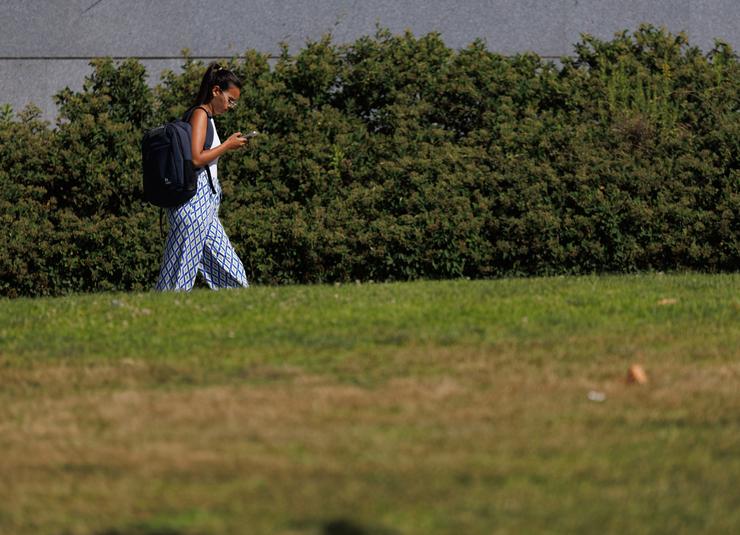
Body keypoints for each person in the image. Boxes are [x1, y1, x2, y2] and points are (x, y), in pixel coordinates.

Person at [155, 62, 251, 291]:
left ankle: (243, 309)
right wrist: (227, 145)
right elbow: (197, 158)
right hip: (193, 204)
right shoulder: (200, 114)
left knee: (231, 268)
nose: (231, 106)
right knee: (179, 273)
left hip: (204, 205)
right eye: (230, 100)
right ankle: (161, 316)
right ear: (216, 91)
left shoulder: (207, 118)